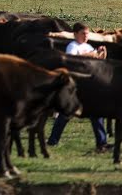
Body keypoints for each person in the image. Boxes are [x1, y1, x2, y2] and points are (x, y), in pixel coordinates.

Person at [46, 22, 110, 152]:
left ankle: (102, 143)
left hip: (89, 86)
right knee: (66, 114)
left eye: (87, 33)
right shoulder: (72, 46)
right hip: (76, 87)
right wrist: (91, 55)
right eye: (83, 33)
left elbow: (96, 63)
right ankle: (52, 141)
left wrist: (101, 54)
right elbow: (72, 60)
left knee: (96, 113)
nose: (86, 36)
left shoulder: (88, 46)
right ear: (75, 34)